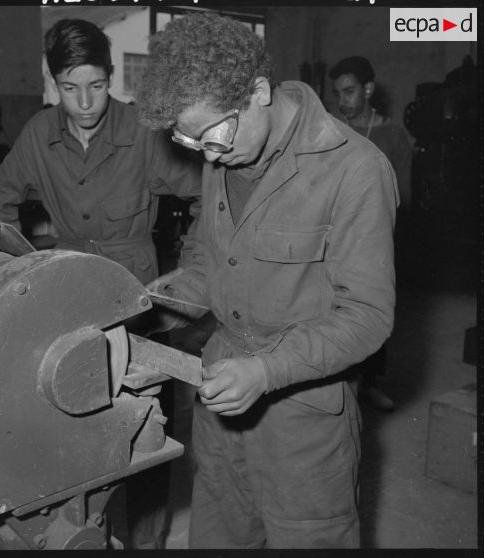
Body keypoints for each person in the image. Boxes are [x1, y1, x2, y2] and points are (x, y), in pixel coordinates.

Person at [137, 12, 399, 549]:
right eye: (190, 143)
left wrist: (266, 370)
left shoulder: (355, 170)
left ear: (258, 91)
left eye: (212, 136)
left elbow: (368, 317)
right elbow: (213, 267)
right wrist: (144, 308)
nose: (207, 156)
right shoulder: (225, 151)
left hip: (304, 427)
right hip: (220, 413)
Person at [0, 18, 202, 549]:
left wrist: (192, 271)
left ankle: (148, 543)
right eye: (70, 88)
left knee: (147, 437)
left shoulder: (144, 134)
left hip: (140, 306)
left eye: (97, 86)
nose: (85, 102)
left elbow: (205, 196)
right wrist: (27, 274)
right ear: (54, 82)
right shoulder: (39, 134)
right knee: (71, 429)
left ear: (111, 77)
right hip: (67, 309)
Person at [330, 56, 413, 411]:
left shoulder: (392, 135)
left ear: (367, 89)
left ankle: (370, 381)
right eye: (337, 93)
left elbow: (404, 197)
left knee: (370, 308)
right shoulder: (332, 130)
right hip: (333, 236)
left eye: (349, 91)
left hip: (375, 238)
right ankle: (339, 379)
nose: (342, 100)